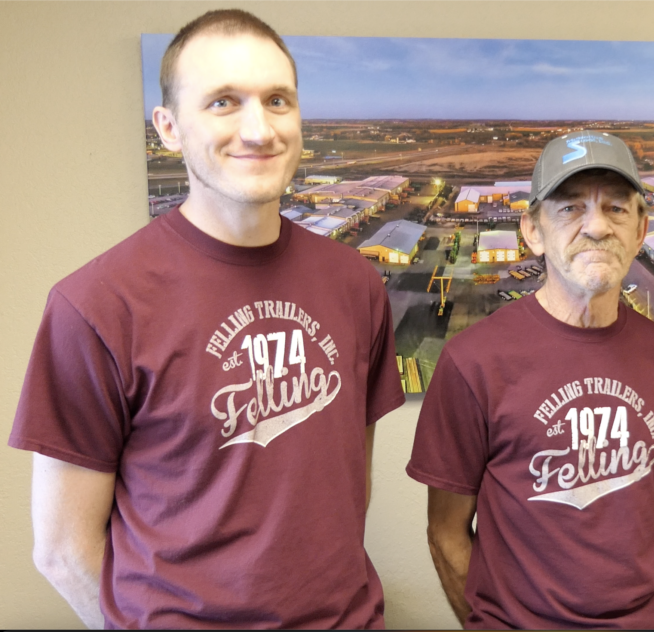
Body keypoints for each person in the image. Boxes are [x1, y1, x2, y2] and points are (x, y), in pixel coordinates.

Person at [9, 9, 404, 629]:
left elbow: (347, 477)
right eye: (223, 102)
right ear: (168, 127)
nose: (259, 128)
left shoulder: (355, 284)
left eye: (278, 100)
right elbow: (62, 550)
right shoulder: (96, 305)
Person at [407, 131, 654, 629]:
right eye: (569, 208)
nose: (597, 226)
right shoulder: (472, 362)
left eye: (616, 209)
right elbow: (446, 533)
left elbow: (636, 498)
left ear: (640, 230)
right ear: (532, 230)